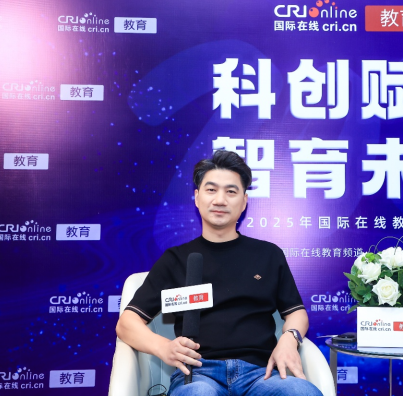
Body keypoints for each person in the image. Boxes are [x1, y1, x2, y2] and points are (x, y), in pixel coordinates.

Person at [116, 150, 322, 396]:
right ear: (197, 197)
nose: (220, 200)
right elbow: (127, 323)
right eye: (211, 190)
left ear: (244, 201)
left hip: (262, 374)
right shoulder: (176, 259)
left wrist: (290, 338)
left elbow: (296, 312)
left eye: (231, 191)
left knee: (301, 391)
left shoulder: (268, 254)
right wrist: (164, 347)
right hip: (197, 373)